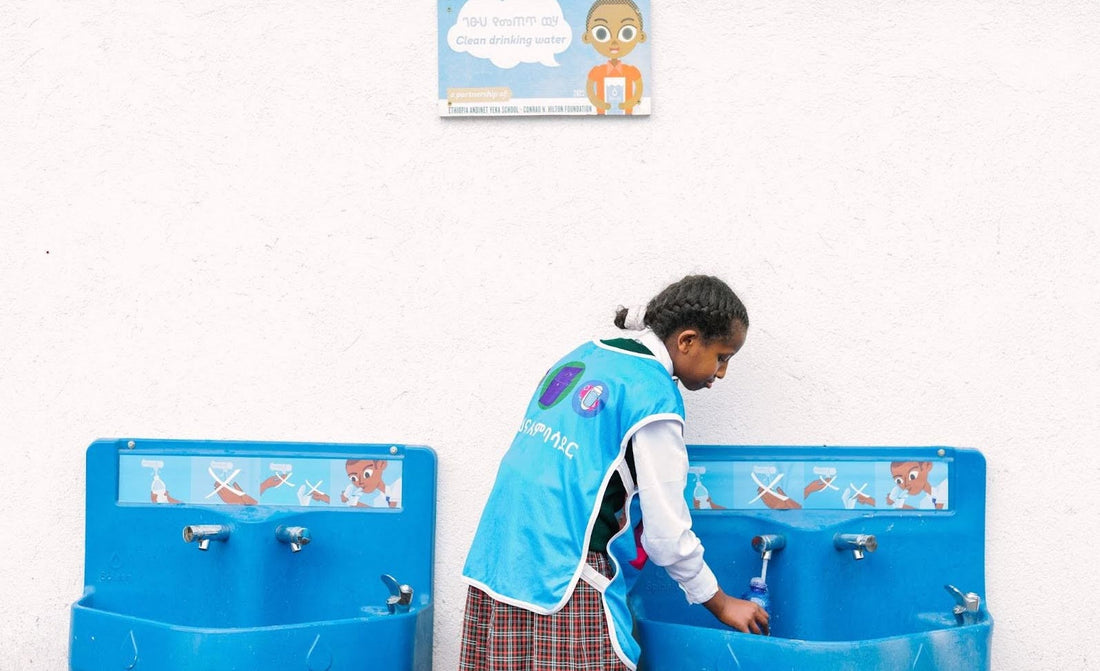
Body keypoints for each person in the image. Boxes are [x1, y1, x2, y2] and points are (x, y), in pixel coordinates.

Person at [459, 274, 767, 671]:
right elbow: (667, 537)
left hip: (501, 561)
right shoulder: (653, 396)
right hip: (564, 573)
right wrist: (720, 603)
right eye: (722, 357)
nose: (721, 372)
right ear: (687, 341)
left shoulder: (586, 356)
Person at [582, 0, 647, 115]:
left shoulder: (632, 71)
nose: (614, 42)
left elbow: (639, 90)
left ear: (640, 36)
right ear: (587, 37)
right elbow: (590, 90)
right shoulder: (597, 71)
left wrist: (631, 102)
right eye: (601, 33)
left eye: (627, 32)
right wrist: (598, 102)